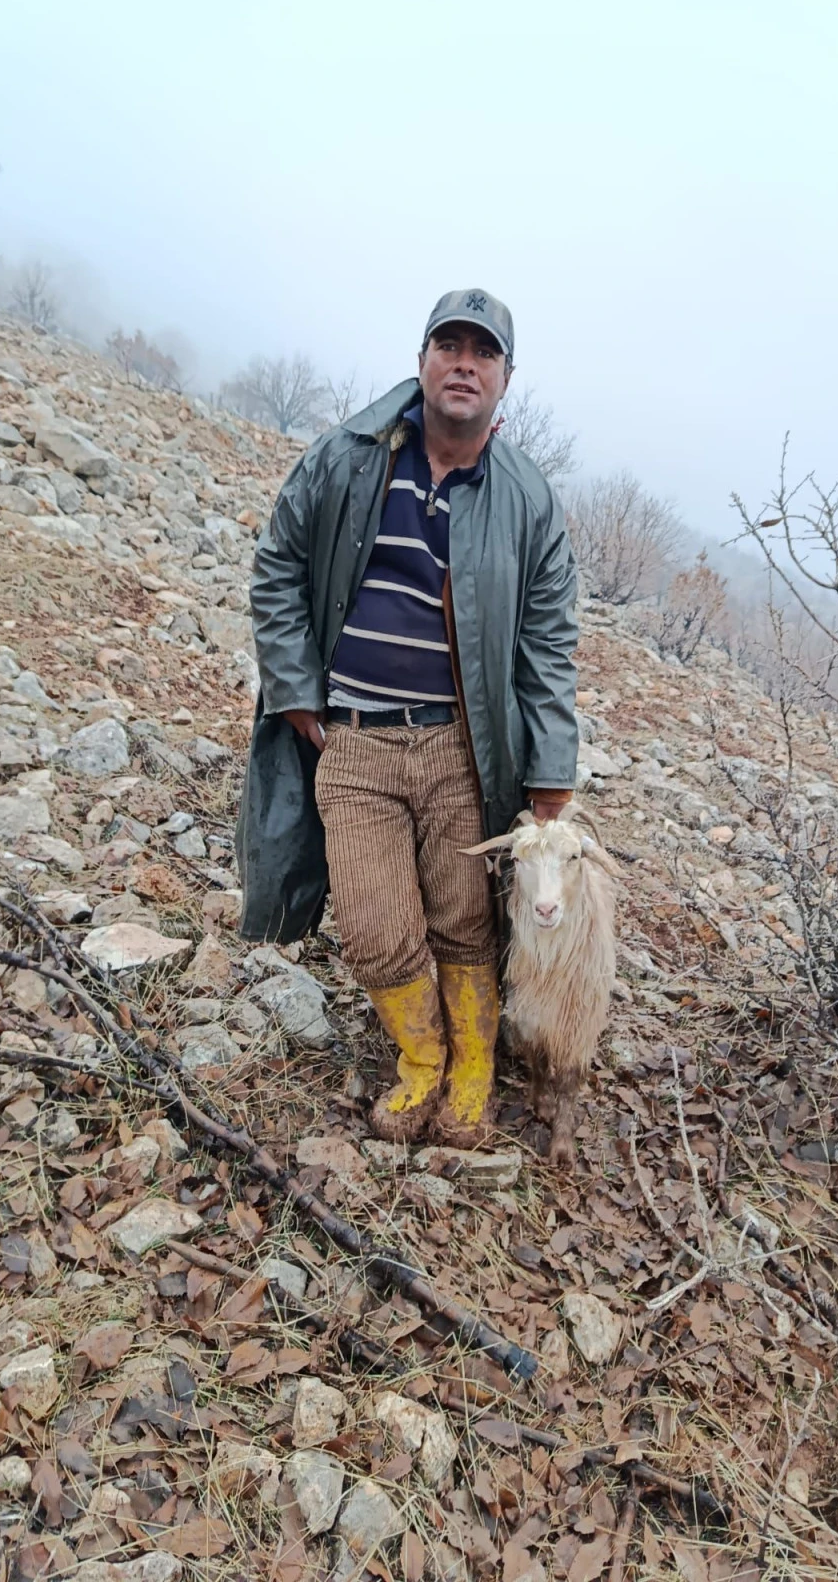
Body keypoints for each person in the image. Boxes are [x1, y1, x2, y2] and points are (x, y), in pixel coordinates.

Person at [236, 288, 578, 1146]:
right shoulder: (348, 458)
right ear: (422, 359)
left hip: (463, 749)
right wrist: (298, 691)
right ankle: (420, 1060)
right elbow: (277, 565)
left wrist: (549, 770)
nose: (464, 363)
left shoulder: (529, 502)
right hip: (350, 742)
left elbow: (547, 641)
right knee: (375, 927)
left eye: (483, 352)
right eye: (448, 345)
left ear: (506, 378)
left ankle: (471, 1069)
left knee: (464, 920)